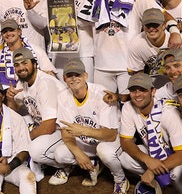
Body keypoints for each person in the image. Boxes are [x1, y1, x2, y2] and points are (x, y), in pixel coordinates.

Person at [51, 58, 128, 194]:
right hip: (87, 143)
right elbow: (65, 132)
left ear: (85, 76)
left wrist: (84, 130)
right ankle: (93, 163)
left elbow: (110, 135)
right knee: (60, 154)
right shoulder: (63, 96)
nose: (74, 79)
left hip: (111, 141)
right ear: (64, 78)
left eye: (78, 75)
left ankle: (121, 179)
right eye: (69, 75)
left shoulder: (101, 94)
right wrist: (78, 153)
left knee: (104, 151)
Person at [118, 73, 182, 192]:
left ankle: (163, 181)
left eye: (143, 90)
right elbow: (125, 141)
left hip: (177, 156)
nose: (137, 95)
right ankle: (156, 180)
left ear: (153, 91)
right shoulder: (128, 107)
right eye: (133, 90)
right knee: (125, 158)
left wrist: (152, 170)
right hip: (152, 154)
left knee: (177, 173)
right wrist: (147, 160)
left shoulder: (168, 113)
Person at [77, 0, 136, 95]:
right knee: (103, 107)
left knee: (129, 105)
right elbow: (80, 21)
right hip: (102, 65)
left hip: (127, 64)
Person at [5, 47, 64, 180]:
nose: (21, 68)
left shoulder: (45, 83)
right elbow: (13, 112)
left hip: (65, 130)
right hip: (49, 128)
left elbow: (49, 126)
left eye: (25, 63)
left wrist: (25, 139)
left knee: (35, 150)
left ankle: (66, 166)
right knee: (19, 121)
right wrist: (10, 99)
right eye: (17, 65)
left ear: (35, 64)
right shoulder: (23, 82)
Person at [0, 80, 37, 194]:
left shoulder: (16, 118)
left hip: (11, 163)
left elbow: (24, 150)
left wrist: (8, 167)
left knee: (28, 176)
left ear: (3, 97)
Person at [127, 8, 182, 87]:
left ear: (164, 25)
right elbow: (138, 73)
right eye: (148, 25)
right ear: (143, 27)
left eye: (155, 25)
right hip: (156, 86)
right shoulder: (136, 44)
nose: (151, 29)